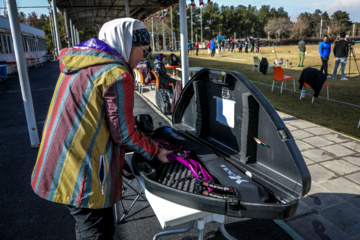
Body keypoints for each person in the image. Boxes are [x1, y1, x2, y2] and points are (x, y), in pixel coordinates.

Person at [30, 18, 171, 240]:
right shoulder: (117, 73)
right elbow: (124, 133)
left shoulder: (85, 61)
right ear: (128, 44)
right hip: (82, 172)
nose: (143, 60)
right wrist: (155, 151)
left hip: (60, 162)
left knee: (90, 227)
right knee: (96, 232)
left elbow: (96, 116)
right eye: (144, 53)